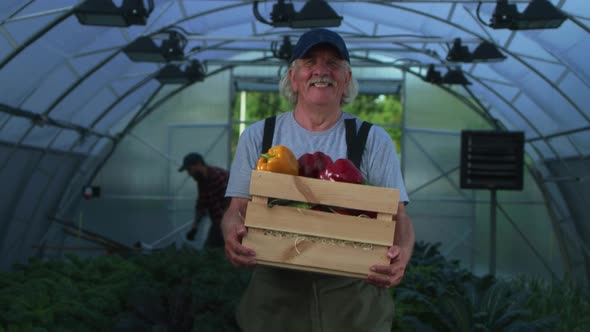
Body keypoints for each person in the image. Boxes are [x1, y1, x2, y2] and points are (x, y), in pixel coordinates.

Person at [221, 28, 415, 331]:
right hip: (276, 294)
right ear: (293, 77)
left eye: (333, 63)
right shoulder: (259, 136)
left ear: (347, 79)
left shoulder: (373, 140)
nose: (321, 70)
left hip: (352, 297)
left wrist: (401, 255)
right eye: (309, 61)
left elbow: (399, 215)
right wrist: (231, 230)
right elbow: (237, 208)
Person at [178, 152, 229, 249]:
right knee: (211, 253)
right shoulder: (202, 182)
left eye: (189, 169)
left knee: (213, 252)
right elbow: (201, 206)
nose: (189, 174)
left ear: (198, 164)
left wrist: (225, 223)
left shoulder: (219, 176)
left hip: (230, 223)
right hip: (219, 224)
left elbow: (231, 202)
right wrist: (194, 228)